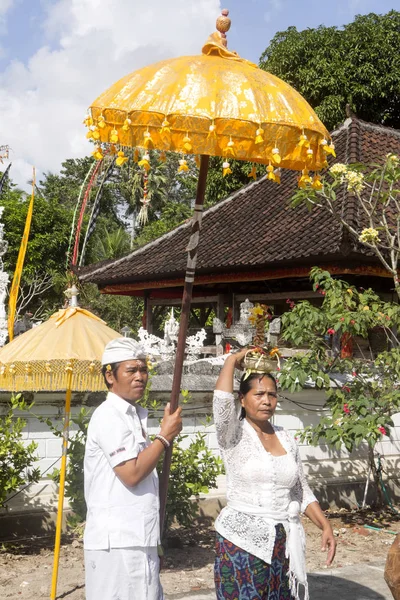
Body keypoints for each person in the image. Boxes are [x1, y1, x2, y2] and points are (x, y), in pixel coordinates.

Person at [213, 348, 336, 600]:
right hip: (241, 542)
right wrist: (232, 360)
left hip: (282, 542)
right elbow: (221, 402)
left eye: (272, 395)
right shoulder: (232, 434)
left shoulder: (285, 437)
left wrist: (325, 525)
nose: (266, 400)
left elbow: (300, 489)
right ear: (242, 399)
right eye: (258, 394)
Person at [83, 337, 182, 600]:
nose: (140, 377)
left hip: (140, 538)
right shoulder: (108, 416)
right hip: (116, 543)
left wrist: (156, 545)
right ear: (109, 375)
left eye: (144, 370)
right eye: (131, 370)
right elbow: (132, 474)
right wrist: (164, 436)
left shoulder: (134, 415)